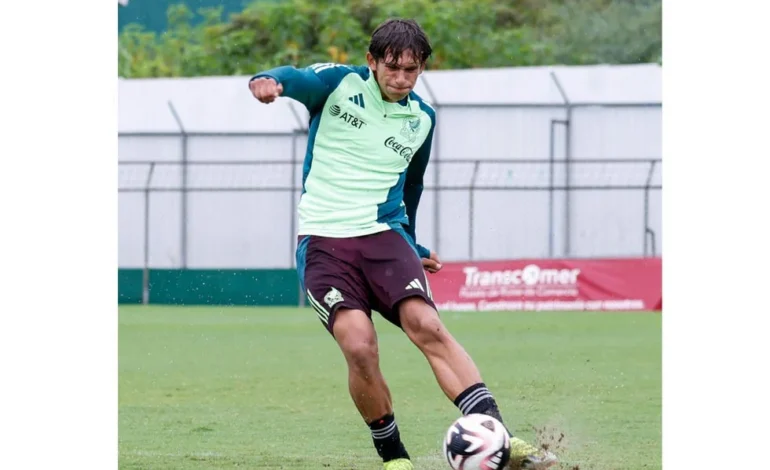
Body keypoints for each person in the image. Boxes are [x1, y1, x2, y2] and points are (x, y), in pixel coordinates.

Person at [248, 18, 558, 470]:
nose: (400, 79)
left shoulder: (422, 119)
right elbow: (294, 78)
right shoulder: (340, 84)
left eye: (411, 71)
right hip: (323, 241)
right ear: (372, 61)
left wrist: (411, 242)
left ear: (421, 70)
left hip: (383, 235)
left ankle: (503, 441)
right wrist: (270, 80)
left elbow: (411, 188)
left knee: (427, 326)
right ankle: (394, 458)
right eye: (391, 68)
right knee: (358, 345)